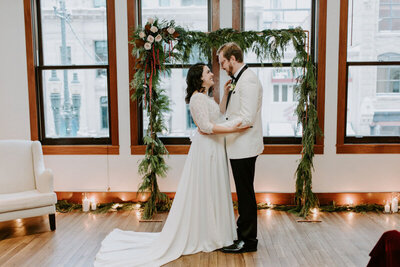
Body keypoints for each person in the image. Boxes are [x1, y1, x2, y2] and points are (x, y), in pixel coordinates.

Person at [94, 63, 249, 266]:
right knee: (206, 190)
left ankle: (216, 232)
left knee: (214, 190)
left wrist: (227, 95)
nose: (212, 74)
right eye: (208, 72)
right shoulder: (196, 99)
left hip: (215, 148)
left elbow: (218, 116)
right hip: (206, 150)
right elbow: (206, 127)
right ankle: (208, 234)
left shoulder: (206, 98)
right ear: (199, 78)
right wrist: (233, 130)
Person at [217, 42, 264, 253]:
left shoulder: (249, 81)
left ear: (233, 59)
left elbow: (246, 118)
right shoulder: (239, 80)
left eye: (223, 62)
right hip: (237, 146)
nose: (222, 67)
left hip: (245, 146)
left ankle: (249, 241)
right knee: (243, 193)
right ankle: (242, 233)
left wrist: (219, 129)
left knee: (245, 194)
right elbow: (231, 112)